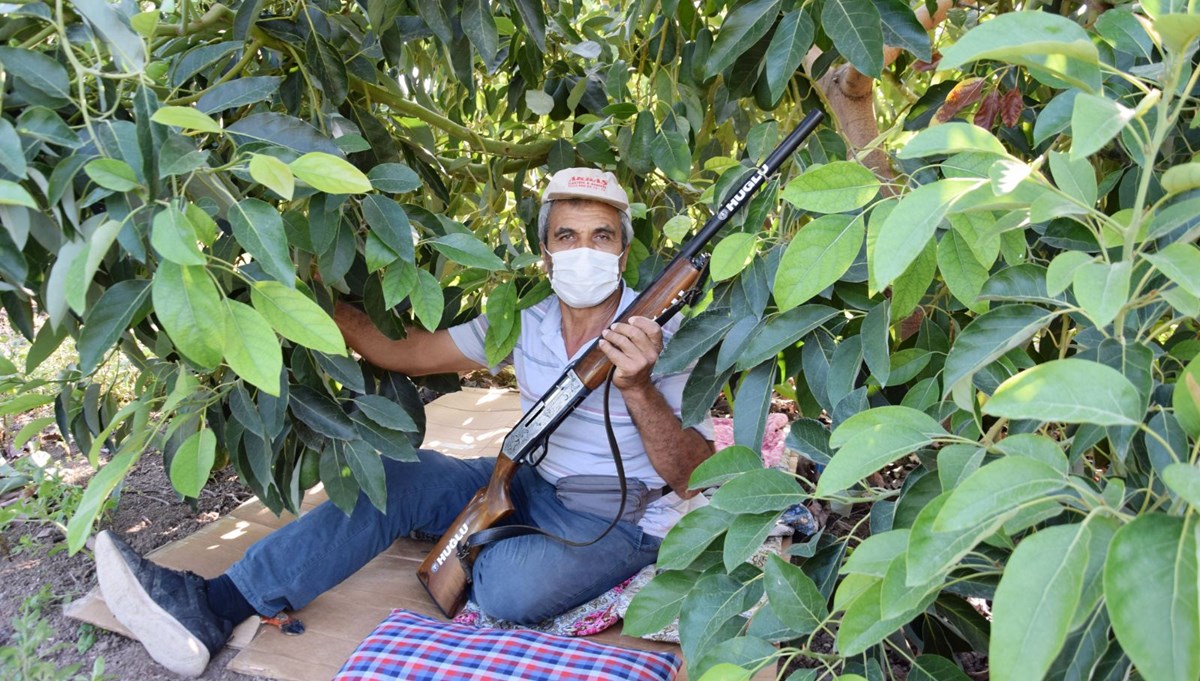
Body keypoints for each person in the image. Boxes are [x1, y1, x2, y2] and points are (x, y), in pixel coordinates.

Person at [94, 167, 716, 677]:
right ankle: (212, 604)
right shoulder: (522, 322)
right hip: (529, 481)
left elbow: (694, 475)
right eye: (567, 235)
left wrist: (637, 386)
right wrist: (305, 289)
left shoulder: (664, 335)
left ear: (624, 250)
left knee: (503, 592)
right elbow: (405, 352)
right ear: (546, 252)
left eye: (602, 236)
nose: (585, 251)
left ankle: (486, 540)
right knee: (394, 478)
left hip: (615, 515)